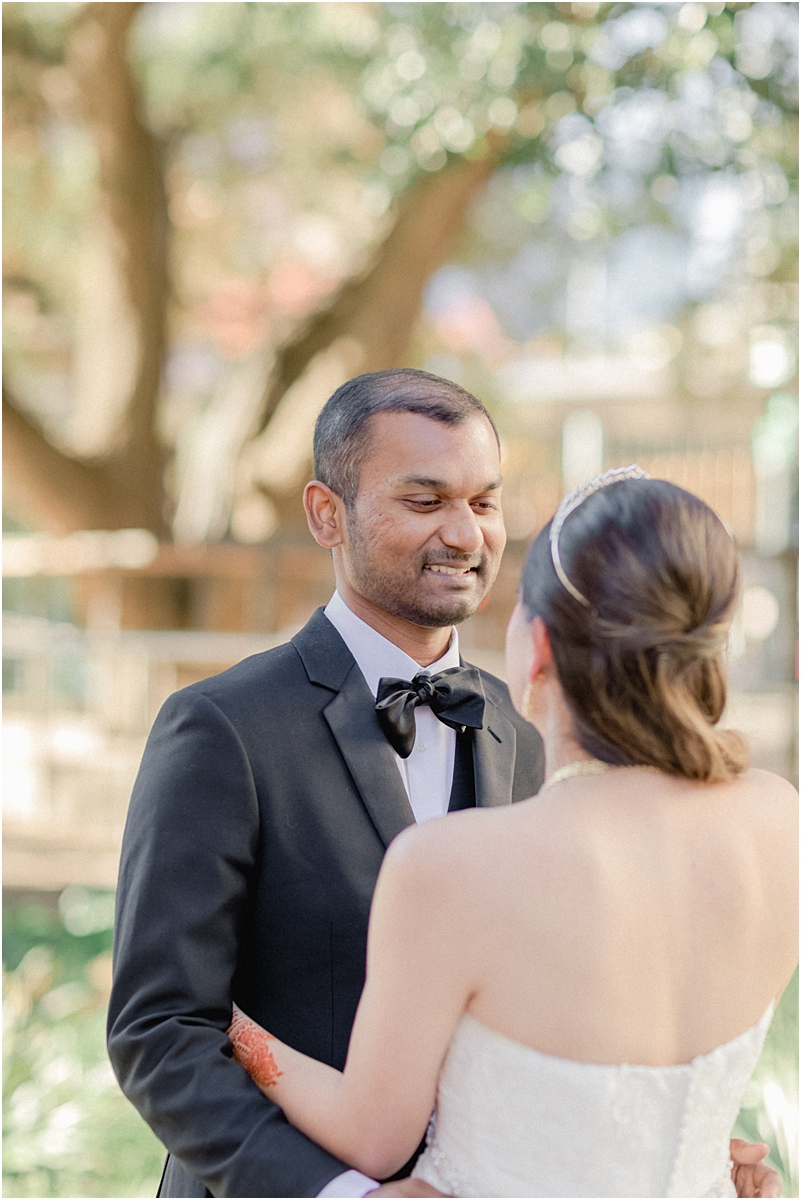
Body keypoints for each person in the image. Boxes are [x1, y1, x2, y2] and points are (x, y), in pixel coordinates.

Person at [225, 469, 798, 1197]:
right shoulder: (779, 819)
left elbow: (372, 1137)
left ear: (538, 648)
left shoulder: (452, 867)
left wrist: (235, 1027)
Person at [107, 369, 545, 1198]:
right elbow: (159, 1029)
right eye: (425, 502)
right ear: (325, 514)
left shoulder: (521, 733)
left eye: (483, 503)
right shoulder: (220, 728)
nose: (464, 535)